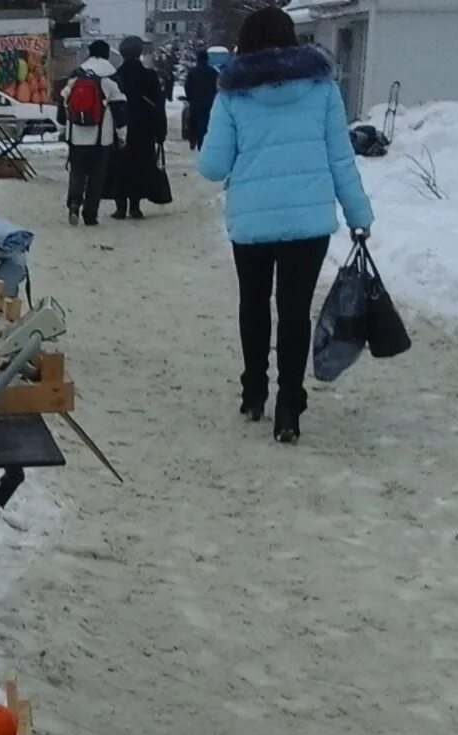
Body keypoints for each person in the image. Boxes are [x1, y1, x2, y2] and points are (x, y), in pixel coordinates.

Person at [197, 8, 373, 443]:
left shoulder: (233, 95)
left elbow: (213, 167)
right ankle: (290, 405)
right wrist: (359, 215)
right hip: (307, 222)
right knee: (294, 311)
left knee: (254, 304)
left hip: (253, 220)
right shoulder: (322, 89)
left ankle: (253, 391)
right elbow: (340, 158)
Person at [59, 40, 126, 226]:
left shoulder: (76, 75)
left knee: (77, 172)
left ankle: (74, 204)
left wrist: (63, 130)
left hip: (76, 136)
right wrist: (122, 136)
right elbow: (120, 108)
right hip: (101, 138)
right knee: (97, 176)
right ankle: (90, 214)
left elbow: (62, 103)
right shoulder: (110, 77)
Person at [110, 35, 163, 219]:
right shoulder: (149, 76)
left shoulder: (116, 76)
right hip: (144, 128)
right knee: (140, 166)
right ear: (139, 53)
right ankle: (135, 205)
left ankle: (120, 207)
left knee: (120, 166)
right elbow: (159, 105)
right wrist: (160, 132)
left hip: (121, 127)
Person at [184, 47, 221, 149]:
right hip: (208, 102)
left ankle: (192, 140)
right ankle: (202, 142)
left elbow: (187, 85)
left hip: (195, 101)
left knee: (193, 121)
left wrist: (189, 97)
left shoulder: (192, 72)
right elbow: (217, 86)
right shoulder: (213, 72)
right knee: (204, 122)